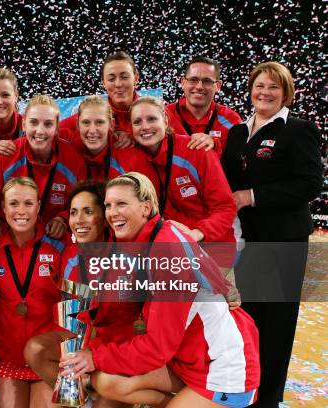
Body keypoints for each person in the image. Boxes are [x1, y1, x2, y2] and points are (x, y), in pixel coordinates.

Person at [60, 173, 260, 407]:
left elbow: (156, 348)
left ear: (146, 208)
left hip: (223, 368)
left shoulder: (167, 253)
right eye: (108, 205)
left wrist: (95, 356)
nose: (112, 213)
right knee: (107, 382)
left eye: (122, 204)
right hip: (184, 359)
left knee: (105, 373)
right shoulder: (141, 239)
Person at [223, 61, 322, 407]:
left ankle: (268, 400)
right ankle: (249, 394)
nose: (265, 93)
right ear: (250, 89)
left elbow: (311, 183)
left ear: (286, 93)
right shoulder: (237, 132)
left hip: (282, 242)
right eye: (259, 85)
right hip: (247, 241)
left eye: (273, 87)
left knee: (277, 328)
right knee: (249, 322)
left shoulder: (298, 130)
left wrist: (254, 197)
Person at [25, 180, 145, 408]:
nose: (78, 220)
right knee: (36, 349)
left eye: (88, 212)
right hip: (84, 341)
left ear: (105, 217)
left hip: (118, 349)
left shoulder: (128, 254)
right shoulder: (69, 255)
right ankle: (81, 400)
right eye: (73, 212)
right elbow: (73, 313)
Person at [0, 177, 64, 408]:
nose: (21, 211)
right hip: (7, 357)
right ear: (3, 208)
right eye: (13, 204)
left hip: (46, 356)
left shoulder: (58, 246)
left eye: (28, 203)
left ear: (39, 206)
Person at [129, 96, 236, 247]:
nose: (145, 126)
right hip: (170, 247)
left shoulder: (196, 150)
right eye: (137, 122)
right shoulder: (133, 160)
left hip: (211, 245)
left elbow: (225, 208)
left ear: (165, 121)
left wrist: (196, 234)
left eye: (152, 119)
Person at [0, 94, 85, 241]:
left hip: (54, 240)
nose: (40, 131)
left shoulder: (73, 160)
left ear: (57, 127)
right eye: (34, 123)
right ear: (24, 124)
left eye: (48, 124)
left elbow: (81, 202)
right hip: (13, 237)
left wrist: (63, 219)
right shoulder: (5, 157)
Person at [60, 51, 141, 148]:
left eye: (124, 77)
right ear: (103, 83)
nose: (118, 84)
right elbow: (51, 131)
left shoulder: (155, 110)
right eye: (111, 79)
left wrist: (136, 137)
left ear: (136, 78)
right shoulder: (94, 113)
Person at [166, 56, 242, 157]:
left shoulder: (231, 121)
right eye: (193, 80)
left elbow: (237, 163)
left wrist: (215, 145)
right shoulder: (163, 115)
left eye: (207, 81)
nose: (199, 87)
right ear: (183, 82)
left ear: (218, 86)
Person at [72, 95, 157, 183]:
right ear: (78, 125)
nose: (92, 130)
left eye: (99, 122)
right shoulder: (70, 154)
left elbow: (150, 195)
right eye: (86, 122)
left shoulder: (133, 159)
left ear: (111, 124)